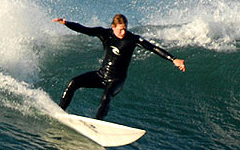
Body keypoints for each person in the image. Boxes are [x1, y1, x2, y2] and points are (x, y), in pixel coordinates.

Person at [53, 14, 185, 120]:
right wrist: (66, 23)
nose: (123, 31)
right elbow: (85, 30)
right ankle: (60, 111)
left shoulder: (132, 39)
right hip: (101, 75)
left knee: (106, 96)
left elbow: (153, 48)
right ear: (113, 27)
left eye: (125, 28)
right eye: (120, 28)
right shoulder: (104, 34)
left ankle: (98, 123)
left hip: (117, 80)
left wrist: (173, 59)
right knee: (74, 82)